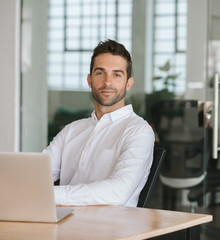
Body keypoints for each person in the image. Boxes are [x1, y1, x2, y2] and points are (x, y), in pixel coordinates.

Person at [43, 39, 155, 206]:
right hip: (63, 223)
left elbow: (117, 192)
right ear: (89, 80)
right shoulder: (71, 130)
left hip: (111, 229)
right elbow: (37, 175)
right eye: (100, 73)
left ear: (128, 83)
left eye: (116, 74)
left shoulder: (138, 131)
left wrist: (49, 194)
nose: (107, 82)